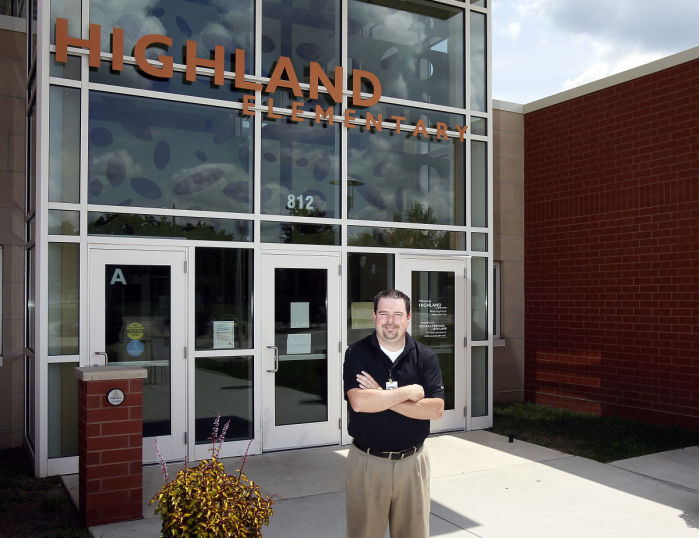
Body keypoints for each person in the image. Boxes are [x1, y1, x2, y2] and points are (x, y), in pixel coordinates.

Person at [343, 289, 445, 538]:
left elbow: (436, 409)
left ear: (408, 317)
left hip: (413, 464)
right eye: (384, 314)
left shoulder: (425, 357)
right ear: (374, 316)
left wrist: (379, 395)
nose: (391, 321)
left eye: (398, 314)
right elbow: (359, 402)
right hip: (367, 464)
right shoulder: (357, 353)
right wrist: (407, 393)